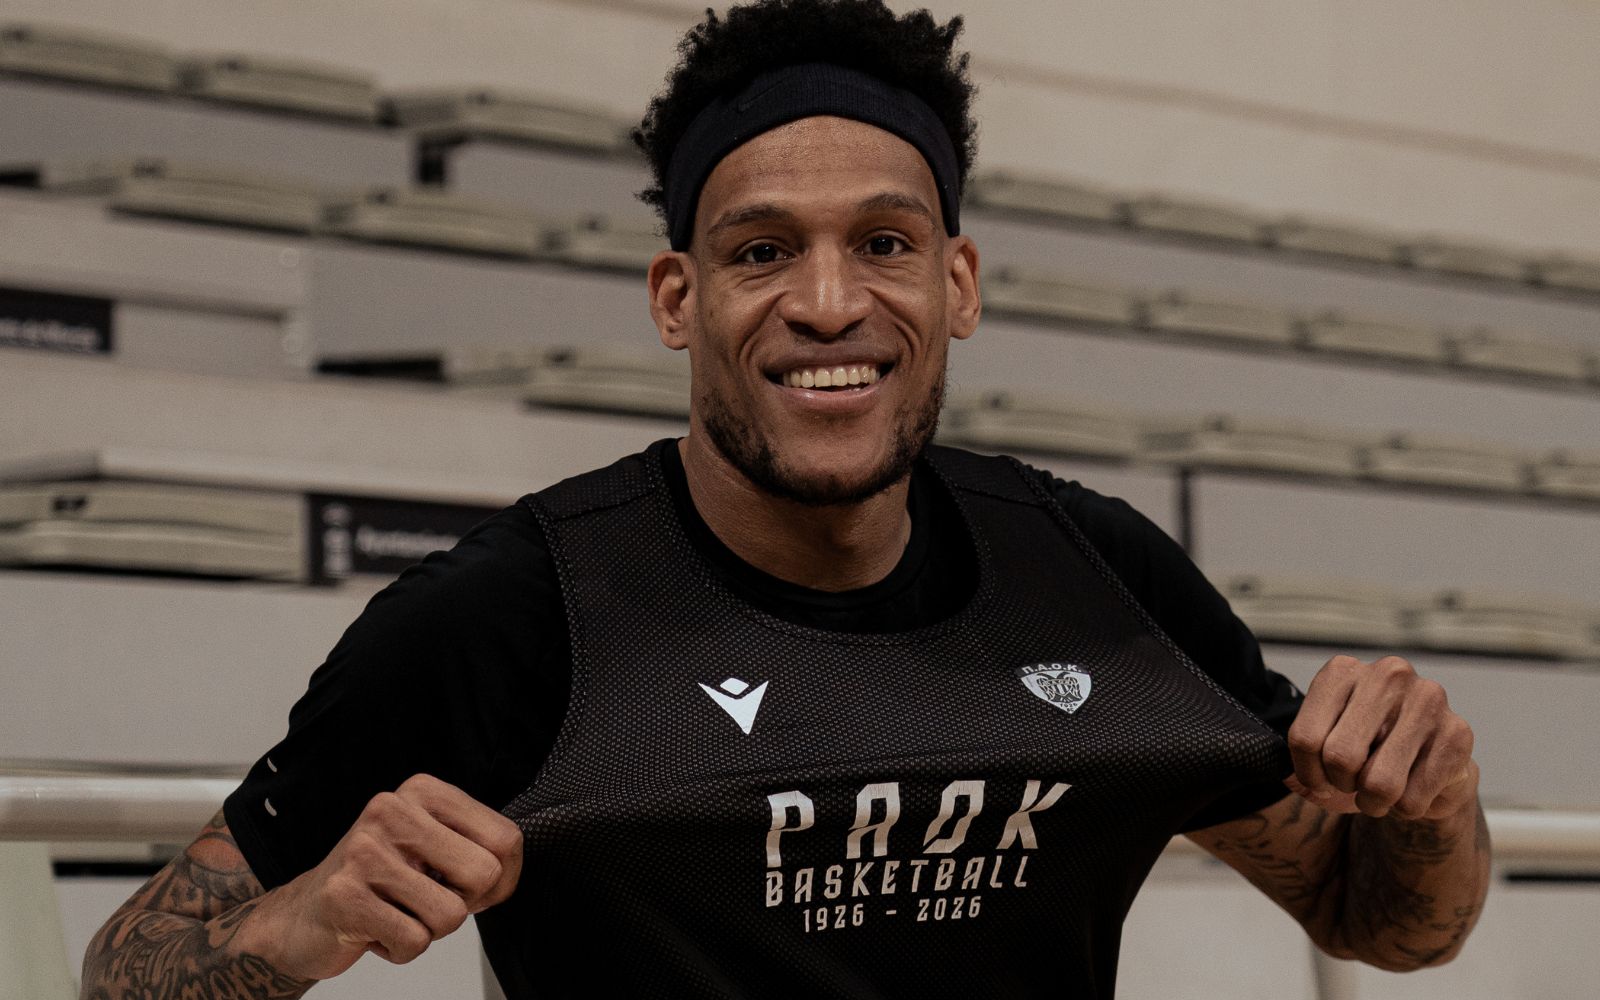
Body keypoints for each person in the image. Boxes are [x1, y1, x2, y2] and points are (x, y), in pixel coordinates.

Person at [80, 1, 1490, 996]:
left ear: (958, 284)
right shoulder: (516, 611)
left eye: (884, 242)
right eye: (762, 252)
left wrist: (1433, 797)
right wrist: (293, 928)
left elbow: (1383, 921)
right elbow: (127, 972)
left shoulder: (1099, 575)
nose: (827, 303)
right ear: (676, 298)